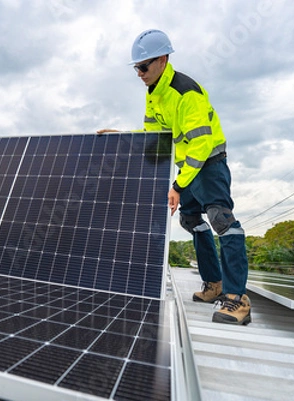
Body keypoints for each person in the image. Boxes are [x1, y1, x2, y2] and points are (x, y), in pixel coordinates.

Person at [98, 29, 251, 325]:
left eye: (144, 66)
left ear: (163, 60)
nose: (139, 73)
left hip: (208, 164)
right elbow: (155, 137)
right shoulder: (154, 94)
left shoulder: (185, 92)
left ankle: (237, 299)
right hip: (188, 168)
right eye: (136, 68)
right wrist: (123, 137)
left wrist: (178, 186)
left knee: (223, 222)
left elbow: (202, 143)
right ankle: (213, 284)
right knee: (191, 221)